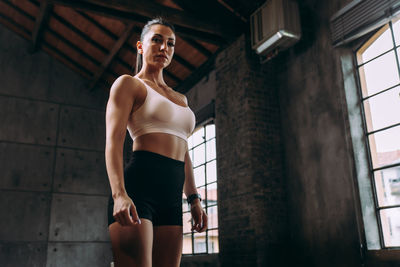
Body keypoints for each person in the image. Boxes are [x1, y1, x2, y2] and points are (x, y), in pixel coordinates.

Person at [105, 17, 208, 267]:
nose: (164, 48)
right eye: (157, 40)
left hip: (172, 197)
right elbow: (113, 142)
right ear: (141, 46)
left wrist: (194, 199)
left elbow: (183, 150)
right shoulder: (129, 84)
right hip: (138, 189)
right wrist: (119, 194)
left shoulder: (181, 99)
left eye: (171, 44)